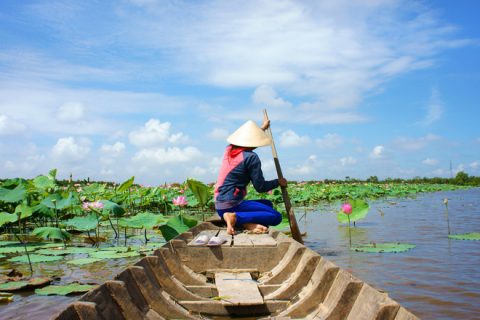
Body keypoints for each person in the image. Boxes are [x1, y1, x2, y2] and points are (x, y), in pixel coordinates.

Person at [214, 119, 287, 235]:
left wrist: (262, 128)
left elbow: (248, 139)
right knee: (276, 216)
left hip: (220, 206)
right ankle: (235, 217)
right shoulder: (251, 157)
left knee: (267, 204)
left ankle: (244, 222)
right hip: (232, 206)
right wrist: (278, 182)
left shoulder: (228, 150)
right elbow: (260, 187)